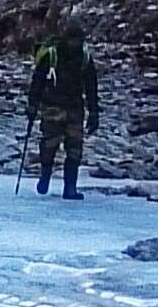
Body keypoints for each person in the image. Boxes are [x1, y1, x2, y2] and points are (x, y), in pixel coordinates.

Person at [27, 21, 102, 199]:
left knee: (73, 149)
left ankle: (69, 188)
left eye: (77, 40)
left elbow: (91, 85)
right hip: (54, 106)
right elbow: (38, 81)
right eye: (72, 40)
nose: (74, 44)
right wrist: (32, 105)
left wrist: (94, 112)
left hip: (71, 108)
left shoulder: (84, 57)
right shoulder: (53, 55)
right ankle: (47, 176)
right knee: (50, 145)